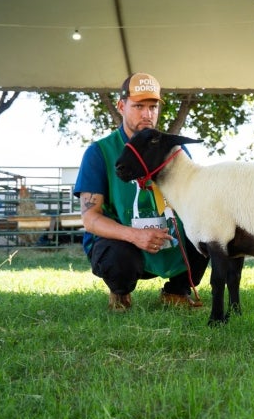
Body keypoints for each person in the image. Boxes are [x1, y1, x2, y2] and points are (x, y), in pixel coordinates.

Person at [73, 73, 209, 312]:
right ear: (121, 106)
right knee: (119, 259)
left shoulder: (175, 149)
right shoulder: (99, 152)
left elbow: (193, 200)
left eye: (153, 106)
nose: (147, 114)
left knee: (207, 231)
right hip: (123, 241)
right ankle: (120, 290)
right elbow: (90, 218)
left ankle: (177, 291)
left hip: (167, 235)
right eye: (138, 106)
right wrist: (135, 235)